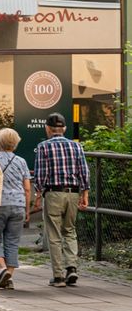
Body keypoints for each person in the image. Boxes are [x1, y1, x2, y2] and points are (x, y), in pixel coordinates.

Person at [31, 112, 90, 287]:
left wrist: (38, 194)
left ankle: (58, 276)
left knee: (54, 234)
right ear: (63, 128)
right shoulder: (76, 146)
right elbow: (84, 171)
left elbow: (41, 173)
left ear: (48, 128)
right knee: (70, 231)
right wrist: (84, 193)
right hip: (73, 193)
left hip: (53, 193)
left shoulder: (43, 147)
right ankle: (72, 268)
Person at [0, 127, 31, 289]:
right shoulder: (21, 161)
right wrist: (27, 210)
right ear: (15, 143)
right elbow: (27, 188)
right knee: (13, 242)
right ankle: (8, 278)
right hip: (18, 205)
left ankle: (2, 269)